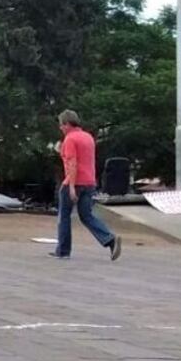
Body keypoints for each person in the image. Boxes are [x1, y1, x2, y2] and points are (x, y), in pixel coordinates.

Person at [50, 110, 122, 261]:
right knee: (87, 216)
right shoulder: (88, 137)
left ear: (67, 124)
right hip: (89, 182)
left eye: (61, 125)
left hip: (74, 182)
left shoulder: (70, 139)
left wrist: (71, 187)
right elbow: (83, 159)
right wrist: (61, 151)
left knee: (64, 217)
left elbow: (73, 164)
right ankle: (110, 239)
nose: (60, 128)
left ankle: (63, 251)